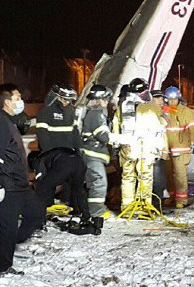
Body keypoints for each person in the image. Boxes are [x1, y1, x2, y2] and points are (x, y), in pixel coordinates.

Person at [0, 83, 45, 277]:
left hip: (20, 185)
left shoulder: (10, 122)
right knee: (7, 228)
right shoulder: (0, 124)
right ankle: (1, 268)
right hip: (7, 186)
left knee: (37, 214)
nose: (21, 101)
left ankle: (12, 241)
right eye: (18, 98)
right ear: (7, 102)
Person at [112, 78, 167, 212]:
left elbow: (115, 126)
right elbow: (158, 128)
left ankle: (127, 208)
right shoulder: (150, 107)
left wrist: (116, 147)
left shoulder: (123, 106)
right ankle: (144, 207)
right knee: (145, 177)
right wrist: (160, 148)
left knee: (128, 177)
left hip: (128, 148)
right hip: (145, 149)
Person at [163, 86, 194, 208]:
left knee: (180, 175)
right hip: (167, 149)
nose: (173, 102)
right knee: (168, 175)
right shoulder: (164, 111)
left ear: (179, 98)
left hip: (181, 149)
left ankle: (181, 200)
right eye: (170, 100)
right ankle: (172, 196)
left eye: (175, 99)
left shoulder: (186, 111)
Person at [28, 149, 90, 220]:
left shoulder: (39, 160)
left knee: (42, 186)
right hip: (80, 163)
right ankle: (85, 214)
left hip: (65, 163)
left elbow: (42, 181)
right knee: (78, 189)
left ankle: (40, 215)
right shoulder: (50, 154)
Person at [82, 85, 113, 217]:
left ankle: (95, 210)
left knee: (95, 183)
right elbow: (103, 136)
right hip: (92, 155)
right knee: (99, 183)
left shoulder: (95, 113)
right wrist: (120, 138)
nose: (107, 103)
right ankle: (96, 212)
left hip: (92, 155)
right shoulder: (96, 114)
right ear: (100, 99)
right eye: (106, 100)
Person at [36, 83, 80, 152]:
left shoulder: (70, 111)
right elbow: (42, 135)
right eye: (64, 99)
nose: (67, 102)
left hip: (69, 152)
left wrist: (78, 149)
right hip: (53, 153)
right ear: (56, 97)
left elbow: (75, 132)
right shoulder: (45, 111)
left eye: (69, 100)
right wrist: (48, 153)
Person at [150, 90, 168, 208]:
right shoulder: (151, 112)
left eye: (162, 98)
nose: (161, 100)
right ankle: (155, 206)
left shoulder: (161, 112)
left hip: (160, 152)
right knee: (156, 181)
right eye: (158, 98)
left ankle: (157, 205)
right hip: (153, 152)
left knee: (160, 181)